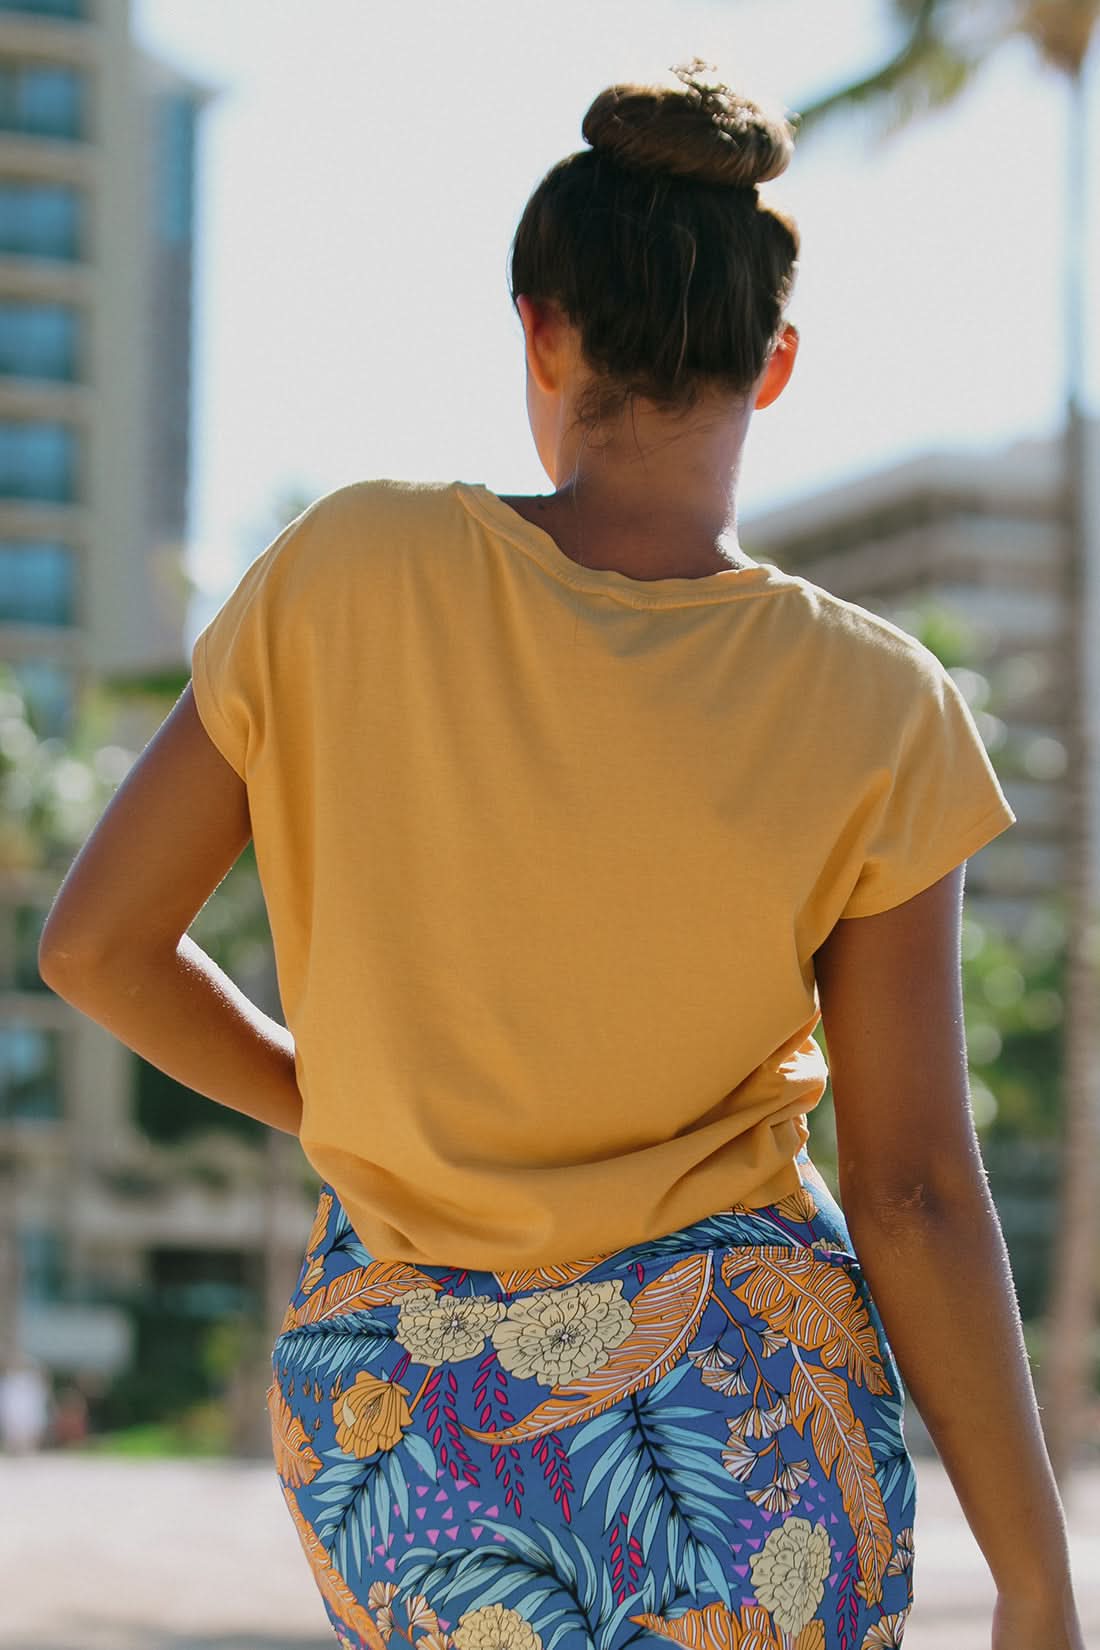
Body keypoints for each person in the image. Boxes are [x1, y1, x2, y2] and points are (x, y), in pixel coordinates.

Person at [36, 57, 1085, 1650]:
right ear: (775, 362)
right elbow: (916, 1185)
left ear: (539, 327)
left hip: (412, 1403)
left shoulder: (348, 573)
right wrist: (1035, 1578)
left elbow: (97, 948)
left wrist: (336, 1099)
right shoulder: (878, 700)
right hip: (742, 1411)